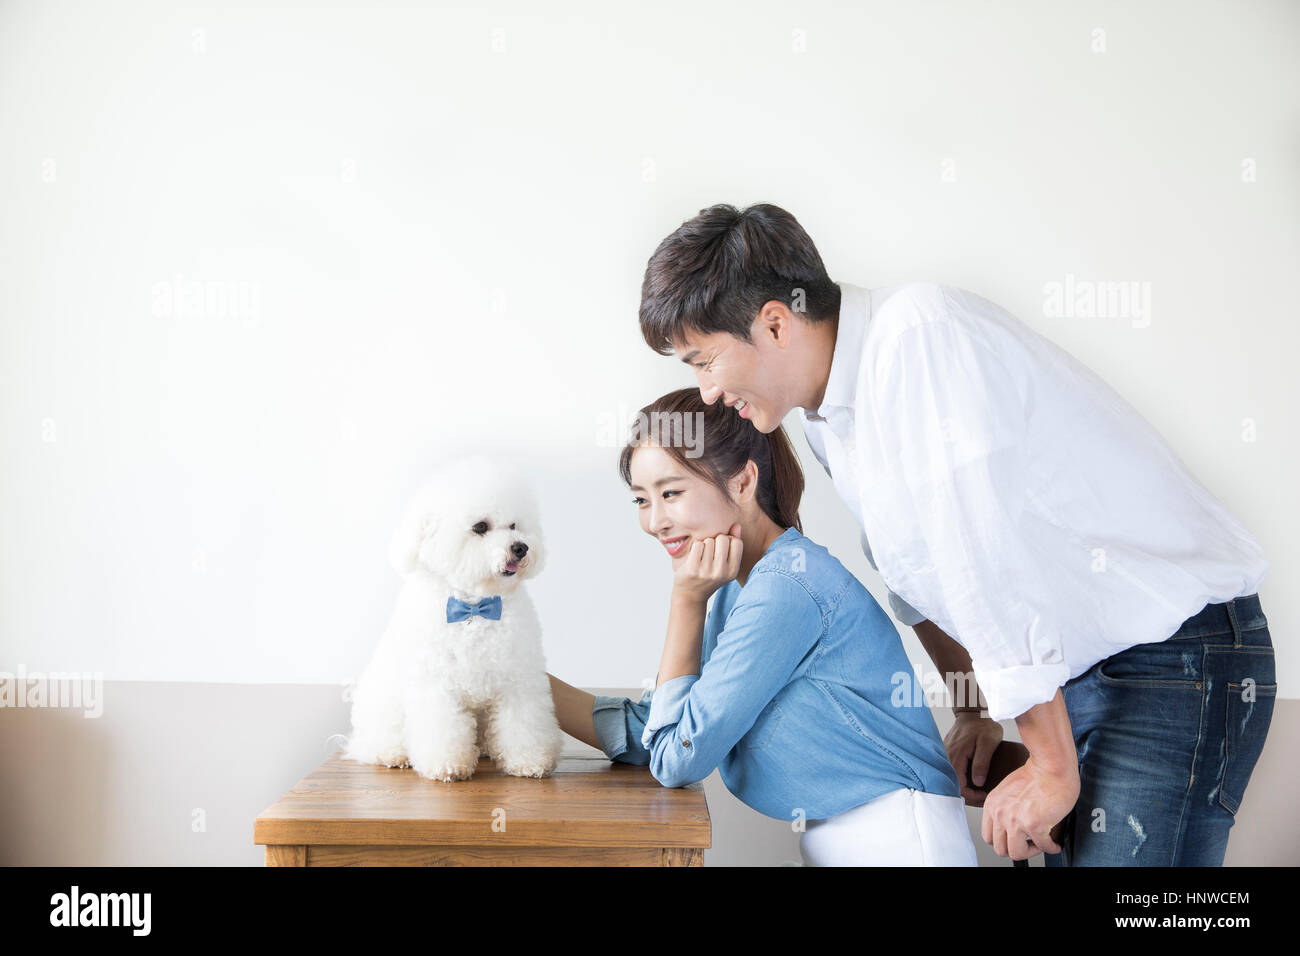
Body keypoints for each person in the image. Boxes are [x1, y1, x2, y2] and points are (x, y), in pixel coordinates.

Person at [631, 202, 1275, 866]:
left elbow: (985, 558)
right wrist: (972, 710)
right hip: (1080, 675)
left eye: (703, 361)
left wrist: (1051, 766)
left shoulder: (918, 339)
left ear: (773, 321)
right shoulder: (830, 415)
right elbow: (917, 576)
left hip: (1172, 659)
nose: (705, 393)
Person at [547, 387, 979, 865]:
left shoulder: (786, 587)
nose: (655, 522)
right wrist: (518, 683)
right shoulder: (742, 588)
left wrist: (686, 602)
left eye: (670, 493)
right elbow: (657, 733)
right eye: (641, 500)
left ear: (742, 482)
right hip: (846, 838)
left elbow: (675, 759)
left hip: (899, 841)